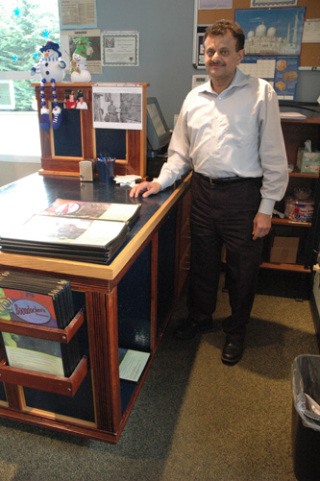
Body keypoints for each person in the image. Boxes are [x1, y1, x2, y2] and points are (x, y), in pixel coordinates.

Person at [130, 20, 288, 365]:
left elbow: (275, 156)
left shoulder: (261, 94)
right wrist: (159, 182)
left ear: (240, 55)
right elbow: (180, 154)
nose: (215, 57)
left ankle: (236, 330)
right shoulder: (193, 98)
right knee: (202, 264)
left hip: (244, 196)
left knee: (242, 270)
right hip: (202, 192)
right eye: (210, 51)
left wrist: (266, 207)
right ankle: (200, 319)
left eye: (224, 51)